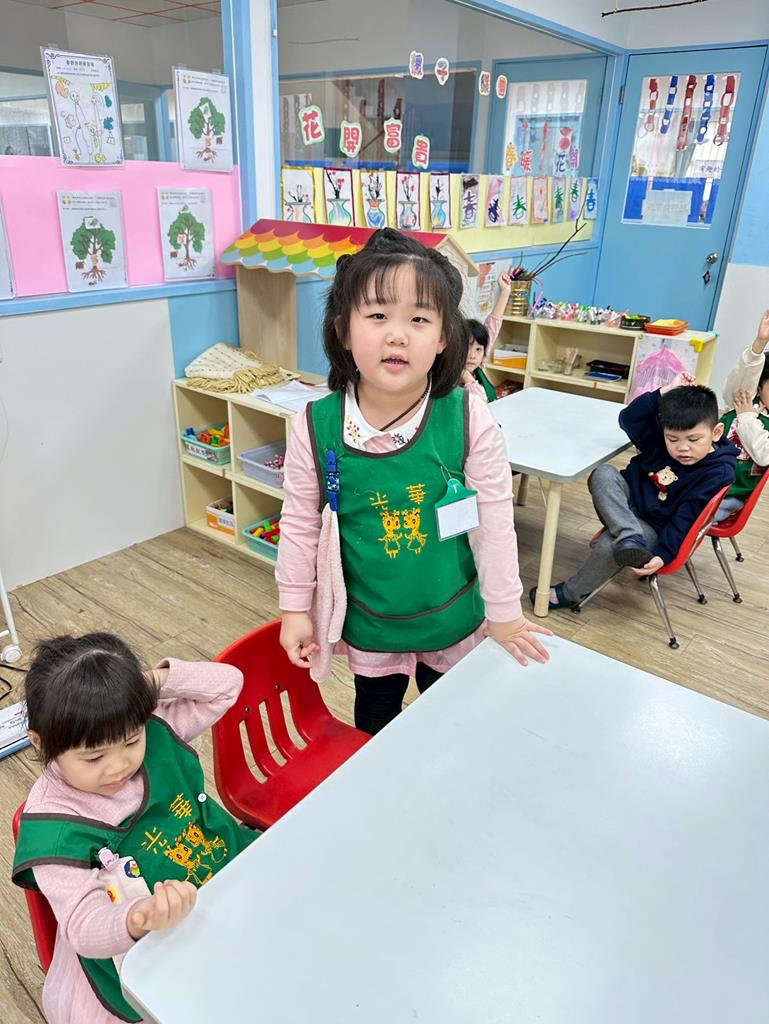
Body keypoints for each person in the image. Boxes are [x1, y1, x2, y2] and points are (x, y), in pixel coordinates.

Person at [277, 228, 550, 735]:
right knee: (375, 719)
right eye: (377, 316)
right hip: (372, 620)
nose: (397, 335)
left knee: (451, 722)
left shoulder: (468, 415)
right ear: (343, 330)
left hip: (452, 613)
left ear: (444, 336)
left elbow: (494, 523)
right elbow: (298, 523)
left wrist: (506, 612)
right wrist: (295, 608)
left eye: (419, 318)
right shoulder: (314, 425)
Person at [12, 633, 257, 1024]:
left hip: (218, 885)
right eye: (93, 757)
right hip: (141, 946)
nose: (119, 766)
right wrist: (137, 918)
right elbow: (83, 926)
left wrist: (142, 687)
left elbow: (228, 685)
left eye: (131, 741)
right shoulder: (54, 826)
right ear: (41, 743)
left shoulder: (151, 725)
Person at [539, 374, 738, 609]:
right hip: (626, 504)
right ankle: (628, 534)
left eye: (694, 439)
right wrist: (663, 392)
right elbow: (629, 418)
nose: (683, 448)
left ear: (716, 432)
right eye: (673, 439)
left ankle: (572, 593)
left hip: (655, 526)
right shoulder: (660, 441)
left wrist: (663, 554)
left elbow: (688, 518)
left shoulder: (718, 472)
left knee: (608, 546)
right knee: (603, 473)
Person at [715, 309, 769, 521]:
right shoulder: (746, 399)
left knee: (686, 515)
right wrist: (759, 345)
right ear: (759, 387)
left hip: (729, 496)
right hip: (702, 478)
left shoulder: (746, 410)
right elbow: (740, 381)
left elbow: (764, 455)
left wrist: (746, 417)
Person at [461, 272, 513, 402]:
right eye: (467, 348)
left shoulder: (477, 368)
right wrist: (465, 375)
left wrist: (505, 291)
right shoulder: (452, 380)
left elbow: (492, 327)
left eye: (478, 349)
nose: (472, 356)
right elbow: (480, 403)